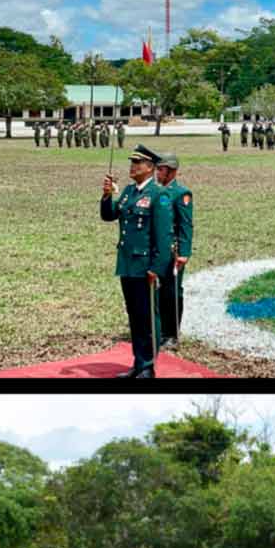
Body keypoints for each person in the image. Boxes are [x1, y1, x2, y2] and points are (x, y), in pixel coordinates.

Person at [100, 145, 165, 378]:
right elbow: (109, 215)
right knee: (135, 316)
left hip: (145, 266)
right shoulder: (129, 192)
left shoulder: (158, 195)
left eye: (138, 163)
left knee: (147, 317)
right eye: (132, 162)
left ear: (150, 168)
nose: (133, 166)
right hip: (127, 264)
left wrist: (156, 268)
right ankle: (138, 364)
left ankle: (148, 366)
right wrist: (107, 195)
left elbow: (163, 236)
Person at [151, 154, 193, 351]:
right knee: (155, 291)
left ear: (172, 171)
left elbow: (185, 224)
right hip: (154, 249)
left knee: (171, 291)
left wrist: (184, 252)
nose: (158, 172)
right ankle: (157, 330)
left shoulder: (181, 193)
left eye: (162, 169)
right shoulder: (154, 191)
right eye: (157, 169)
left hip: (172, 251)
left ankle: (171, 334)